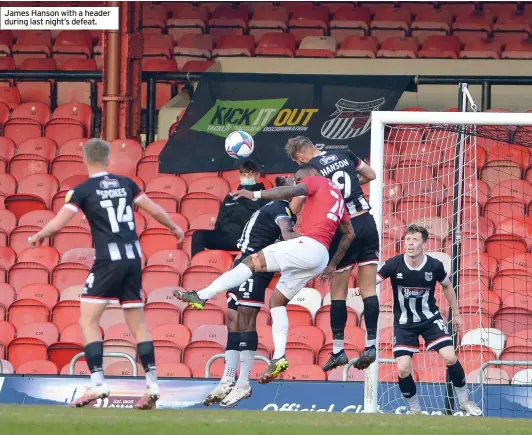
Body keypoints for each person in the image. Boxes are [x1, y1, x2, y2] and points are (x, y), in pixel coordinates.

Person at [28, 138, 185, 410]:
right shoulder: (127, 184)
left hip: (107, 260)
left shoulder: (82, 190)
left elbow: (58, 223)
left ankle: (98, 381)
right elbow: (155, 209)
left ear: (85, 160)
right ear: (109, 159)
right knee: (138, 325)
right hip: (134, 258)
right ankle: (152, 383)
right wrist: (175, 228)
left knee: (88, 321)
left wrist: (40, 234)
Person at [175, 165, 355, 384]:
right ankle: (278, 357)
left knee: (250, 261)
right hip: (321, 256)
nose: (298, 183)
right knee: (277, 302)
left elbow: (287, 193)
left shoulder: (317, 181)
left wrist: (255, 194)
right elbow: (349, 233)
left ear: (312, 175)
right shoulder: (338, 198)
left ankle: (202, 295)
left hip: (309, 245)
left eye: (299, 179)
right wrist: (332, 264)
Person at [285, 136, 379, 371]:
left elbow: (295, 206)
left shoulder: (310, 170)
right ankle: (371, 346)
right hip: (366, 222)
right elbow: (371, 175)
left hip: (342, 229)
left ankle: (338, 350)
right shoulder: (345, 153)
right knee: (369, 288)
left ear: (300, 157)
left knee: (338, 292)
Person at [202, 177, 298, 408]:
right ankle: (228, 379)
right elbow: (285, 234)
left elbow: (286, 234)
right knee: (233, 319)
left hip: (255, 267)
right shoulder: (277, 207)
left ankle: (243, 382)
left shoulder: (281, 210)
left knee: (246, 318)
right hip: (242, 264)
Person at [377, 224, 481, 416]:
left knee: (450, 357)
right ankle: (415, 410)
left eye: (415, 240)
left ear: (423, 243)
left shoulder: (434, 265)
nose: (410, 243)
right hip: (404, 323)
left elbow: (448, 287)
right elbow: (372, 280)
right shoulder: (393, 264)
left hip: (430, 319)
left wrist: (456, 313)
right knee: (402, 369)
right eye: (408, 239)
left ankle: (465, 401)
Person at [191, 160, 266, 257]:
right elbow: (219, 222)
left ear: (257, 176)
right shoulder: (230, 197)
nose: (246, 177)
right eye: (243, 174)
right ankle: (197, 265)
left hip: (245, 239)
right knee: (198, 235)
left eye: (249, 174)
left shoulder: (263, 196)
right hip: (226, 236)